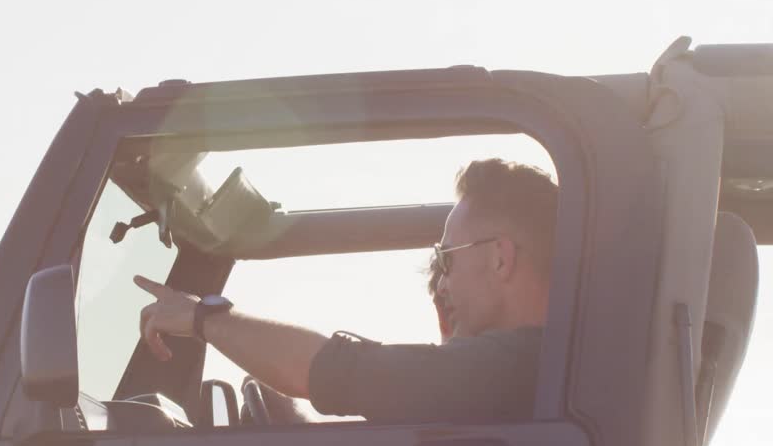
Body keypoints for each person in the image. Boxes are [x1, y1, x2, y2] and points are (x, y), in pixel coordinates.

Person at [134, 158, 558, 423]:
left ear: (501, 258)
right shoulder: (540, 367)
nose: (442, 282)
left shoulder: (518, 365)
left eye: (447, 259)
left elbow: (342, 372)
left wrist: (201, 317)